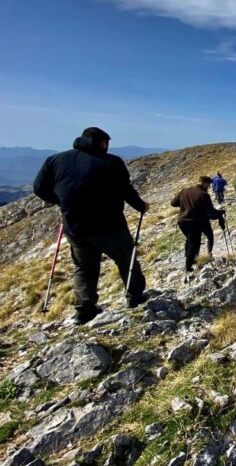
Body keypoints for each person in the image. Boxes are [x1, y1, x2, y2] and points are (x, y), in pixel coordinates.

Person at [33, 127, 150, 324]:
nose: (107, 146)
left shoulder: (55, 160)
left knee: (84, 267)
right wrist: (141, 206)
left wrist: (62, 201)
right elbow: (125, 189)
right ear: (102, 142)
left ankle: (84, 310)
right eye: (106, 143)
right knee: (126, 259)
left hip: (75, 226)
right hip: (110, 225)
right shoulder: (111, 161)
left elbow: (39, 188)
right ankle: (135, 297)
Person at [170, 176, 225, 272]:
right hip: (193, 222)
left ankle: (190, 259)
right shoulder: (203, 194)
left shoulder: (184, 190)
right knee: (194, 244)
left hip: (181, 221)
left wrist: (184, 205)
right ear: (205, 183)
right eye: (208, 185)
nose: (208, 187)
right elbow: (210, 212)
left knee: (190, 240)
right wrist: (220, 213)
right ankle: (188, 266)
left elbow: (173, 203)